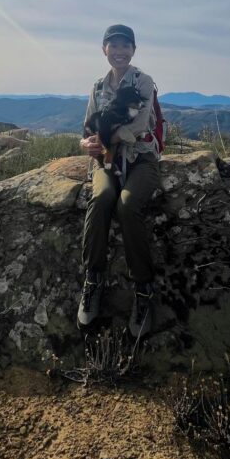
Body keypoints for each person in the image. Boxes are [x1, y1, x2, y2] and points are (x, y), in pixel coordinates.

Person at [77, 24, 161, 337]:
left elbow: (136, 127)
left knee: (127, 206)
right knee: (100, 199)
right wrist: (87, 144)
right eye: (113, 46)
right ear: (104, 50)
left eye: (126, 45)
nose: (120, 51)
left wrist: (102, 136)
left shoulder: (143, 81)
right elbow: (85, 132)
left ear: (134, 49)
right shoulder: (98, 86)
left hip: (140, 158)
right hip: (105, 159)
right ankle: (93, 279)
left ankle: (144, 290)